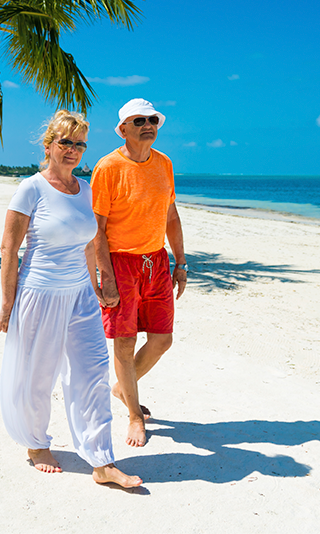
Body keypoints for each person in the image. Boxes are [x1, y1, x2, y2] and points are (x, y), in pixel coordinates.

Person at [0, 110, 142, 488]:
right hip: (40, 294)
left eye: (79, 144)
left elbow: (90, 242)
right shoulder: (31, 188)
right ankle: (35, 443)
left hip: (80, 295)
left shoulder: (87, 190)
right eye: (66, 142)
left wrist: (98, 283)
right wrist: (7, 303)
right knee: (37, 374)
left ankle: (101, 461)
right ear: (49, 146)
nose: (73, 150)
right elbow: (10, 248)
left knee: (93, 373)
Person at [91, 98, 187, 448]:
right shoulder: (108, 167)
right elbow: (96, 229)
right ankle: (134, 415)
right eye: (139, 120)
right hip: (120, 263)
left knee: (162, 339)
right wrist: (107, 275)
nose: (148, 125)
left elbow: (171, 216)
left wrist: (181, 262)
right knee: (125, 341)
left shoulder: (164, 164)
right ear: (123, 129)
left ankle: (122, 387)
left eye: (152, 119)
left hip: (157, 262)